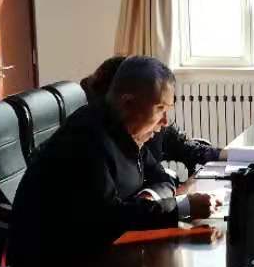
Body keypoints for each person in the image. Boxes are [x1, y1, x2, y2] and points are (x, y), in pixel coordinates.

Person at [10, 56, 214, 267]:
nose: (165, 122)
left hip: (98, 257)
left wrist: (148, 198)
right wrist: (183, 206)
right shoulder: (86, 141)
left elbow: (162, 178)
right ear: (128, 103)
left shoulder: (125, 130)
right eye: (160, 108)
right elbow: (109, 219)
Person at [82, 55, 224, 183]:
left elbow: (184, 150)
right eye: (160, 107)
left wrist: (229, 155)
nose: (165, 121)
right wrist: (180, 197)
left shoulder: (153, 126)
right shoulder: (97, 142)